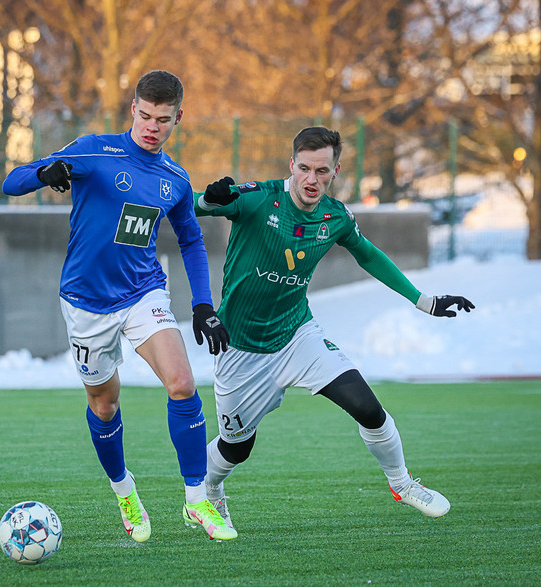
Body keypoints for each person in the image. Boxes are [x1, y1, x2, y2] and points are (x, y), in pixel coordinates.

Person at [193, 126, 475, 532]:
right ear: (292, 165)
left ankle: (402, 484)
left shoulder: (335, 217)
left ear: (335, 171)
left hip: (296, 335)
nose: (312, 179)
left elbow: (368, 255)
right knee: (236, 448)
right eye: (305, 168)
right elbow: (194, 207)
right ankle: (210, 490)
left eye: (322, 171)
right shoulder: (258, 198)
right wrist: (209, 199)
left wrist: (424, 300)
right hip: (241, 349)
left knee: (368, 408)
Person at [2, 70, 236, 542]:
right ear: (133, 109)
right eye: (145, 116)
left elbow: (191, 240)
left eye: (163, 120)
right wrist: (44, 174)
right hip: (86, 302)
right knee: (104, 405)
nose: (152, 127)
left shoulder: (175, 178)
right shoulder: (94, 151)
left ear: (178, 119)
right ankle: (125, 491)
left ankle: (197, 500)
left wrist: (203, 305)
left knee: (182, 383)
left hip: (144, 292)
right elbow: (11, 182)